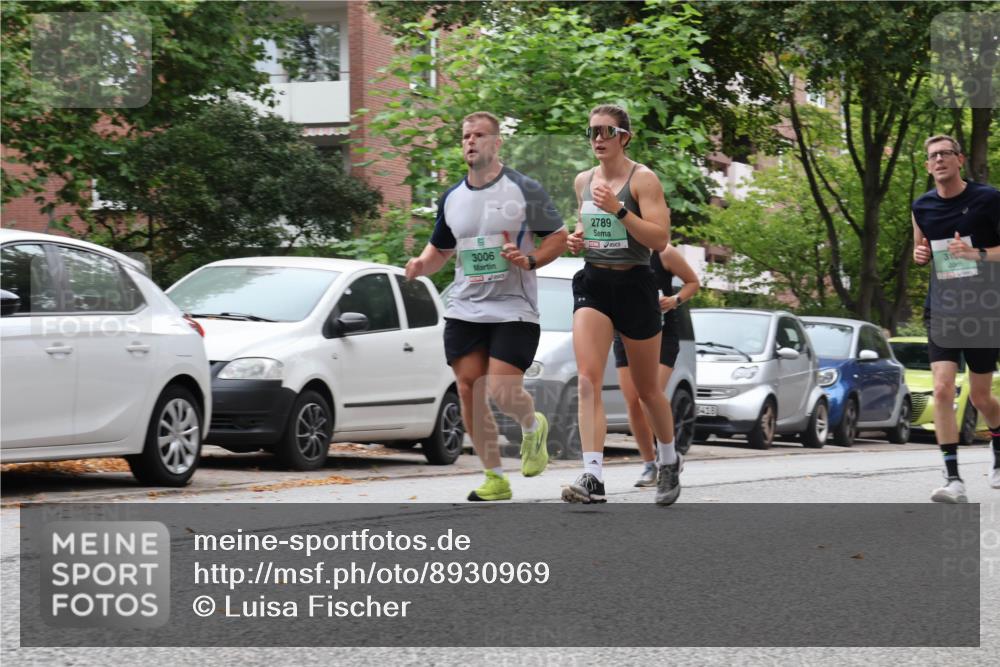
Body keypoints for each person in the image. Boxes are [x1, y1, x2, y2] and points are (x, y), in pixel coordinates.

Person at [405, 111, 568, 501]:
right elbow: (440, 250)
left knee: (501, 389)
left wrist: (529, 260)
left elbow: (558, 239)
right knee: (468, 388)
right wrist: (420, 266)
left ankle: (532, 425)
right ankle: (494, 477)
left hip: (514, 305)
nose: (470, 142)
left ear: (497, 143)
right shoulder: (451, 198)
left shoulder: (524, 189)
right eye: (465, 136)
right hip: (465, 306)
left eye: (479, 135)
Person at [561, 104, 674, 504]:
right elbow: (586, 226)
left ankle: (668, 459)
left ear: (624, 136)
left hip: (635, 285)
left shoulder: (644, 180)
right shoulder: (583, 181)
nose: (597, 139)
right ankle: (592, 476)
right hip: (595, 282)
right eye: (591, 132)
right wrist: (576, 239)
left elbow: (659, 240)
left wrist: (620, 209)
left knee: (646, 391)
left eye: (606, 131)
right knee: (588, 378)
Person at [911, 134, 1000, 503]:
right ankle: (953, 479)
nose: (940, 160)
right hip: (943, 308)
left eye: (946, 153)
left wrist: (975, 254)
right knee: (944, 388)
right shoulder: (922, 207)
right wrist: (920, 255)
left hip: (983, 310)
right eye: (933, 156)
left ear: (959, 160)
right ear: (928, 165)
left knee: (980, 396)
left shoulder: (989, 199)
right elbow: (922, 248)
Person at [614, 244, 699, 495]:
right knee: (631, 401)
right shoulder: (617, 250)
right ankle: (649, 464)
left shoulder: (664, 252)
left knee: (647, 396)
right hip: (626, 332)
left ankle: (668, 458)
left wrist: (675, 300)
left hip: (662, 334)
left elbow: (693, 282)